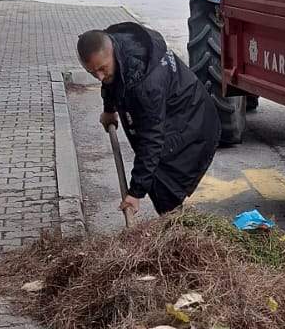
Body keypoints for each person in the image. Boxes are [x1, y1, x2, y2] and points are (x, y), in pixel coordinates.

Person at [76, 22, 220, 218]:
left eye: (102, 68)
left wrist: (135, 192)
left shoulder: (147, 84)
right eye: (92, 72)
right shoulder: (116, 48)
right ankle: (173, 226)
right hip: (171, 110)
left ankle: (176, 230)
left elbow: (151, 141)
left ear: (112, 52)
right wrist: (109, 109)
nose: (99, 77)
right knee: (155, 175)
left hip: (192, 119)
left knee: (164, 181)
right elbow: (112, 82)